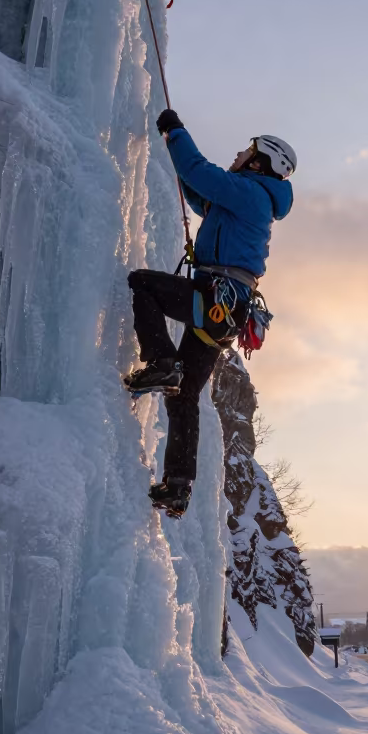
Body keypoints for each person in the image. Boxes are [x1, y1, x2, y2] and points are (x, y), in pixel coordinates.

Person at [126, 110, 295, 517]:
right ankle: (178, 486)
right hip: (225, 311)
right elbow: (201, 195)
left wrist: (174, 131)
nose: (238, 154)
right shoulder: (252, 199)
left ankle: (162, 360)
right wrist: (179, 167)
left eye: (247, 150)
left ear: (259, 162)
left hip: (216, 295)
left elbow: (201, 173)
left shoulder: (252, 192)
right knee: (184, 396)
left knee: (143, 283)